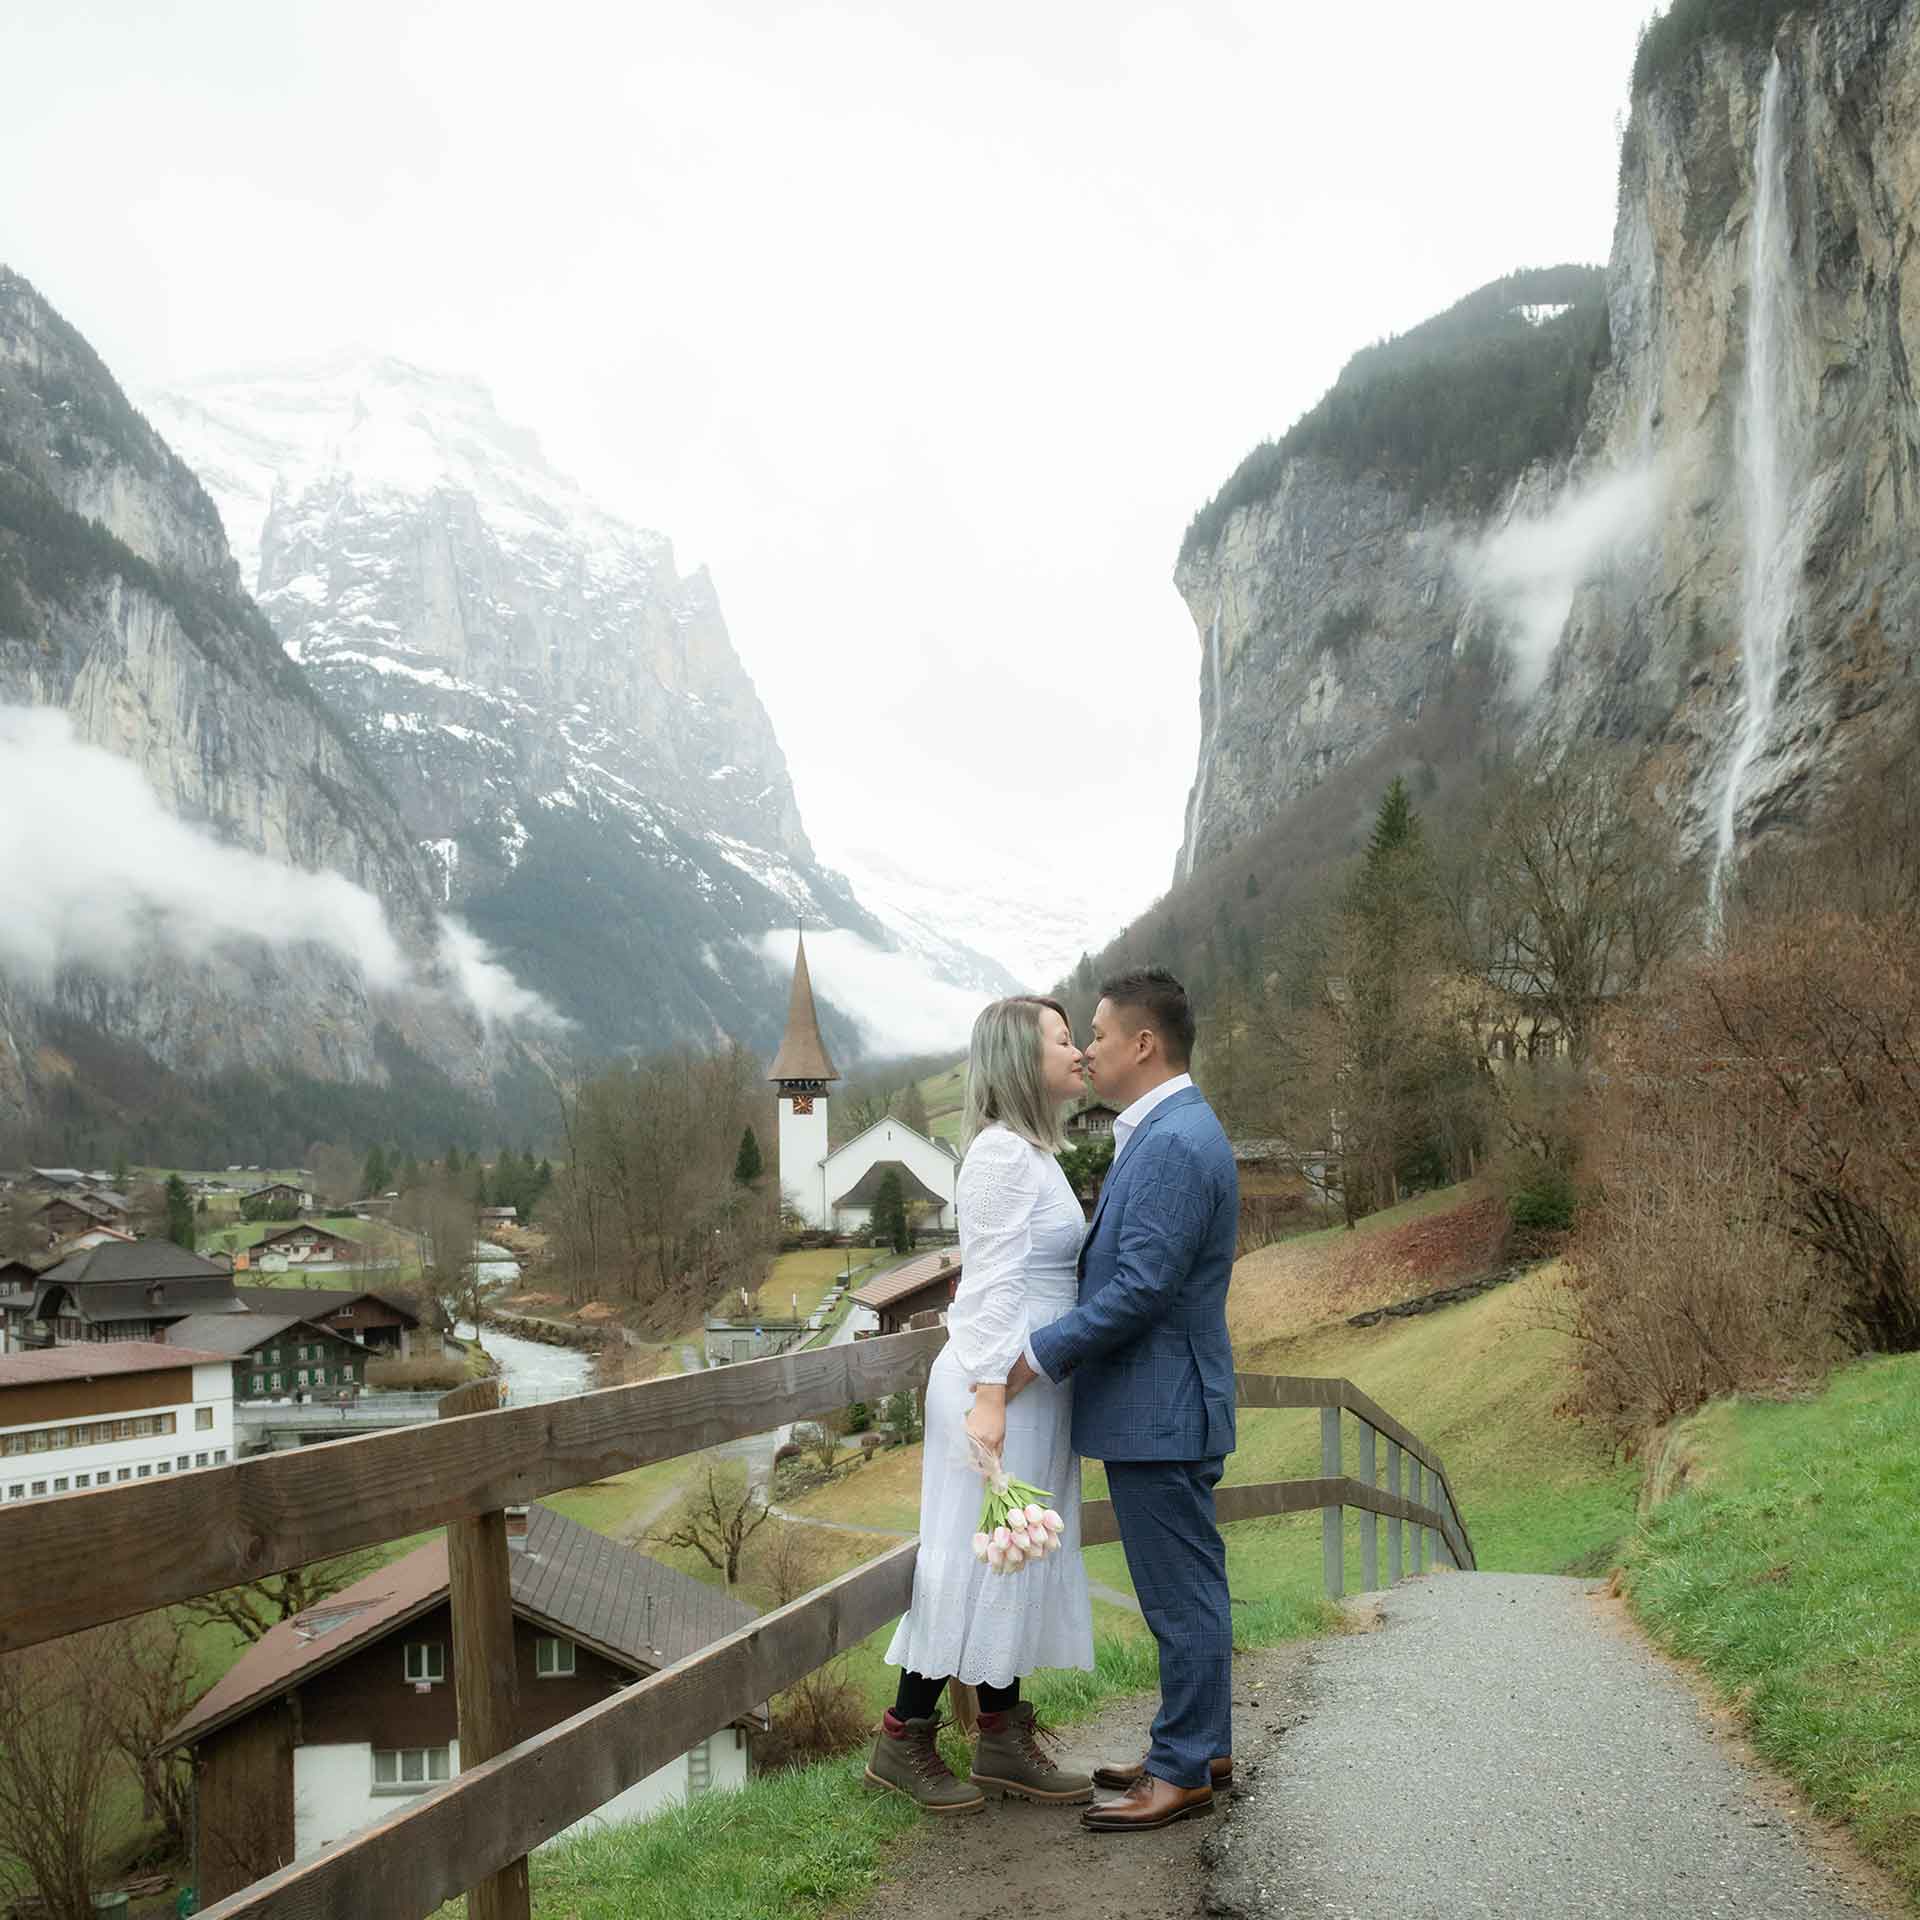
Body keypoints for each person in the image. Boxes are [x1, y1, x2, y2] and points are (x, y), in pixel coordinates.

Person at [1009, 966, 1239, 1834]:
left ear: (1144, 1044)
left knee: (1179, 1599)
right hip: (1167, 1404)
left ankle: (1182, 1770)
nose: (1089, 1048)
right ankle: (1200, 1746)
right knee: (1192, 1589)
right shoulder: (1167, 1130)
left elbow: (1141, 1287)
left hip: (1163, 1409)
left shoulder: (1175, 1142)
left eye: (1099, 1034)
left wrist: (1038, 1352)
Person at [867, 995, 1096, 1815]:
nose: (1079, 1052)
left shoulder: (1035, 1154)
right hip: (998, 1392)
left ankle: (1000, 1733)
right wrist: (992, 1398)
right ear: (1018, 1061)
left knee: (1016, 1552)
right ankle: (903, 1737)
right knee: (969, 1556)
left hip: (1032, 1388)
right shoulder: (1000, 1156)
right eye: (1063, 1041)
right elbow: (991, 1289)